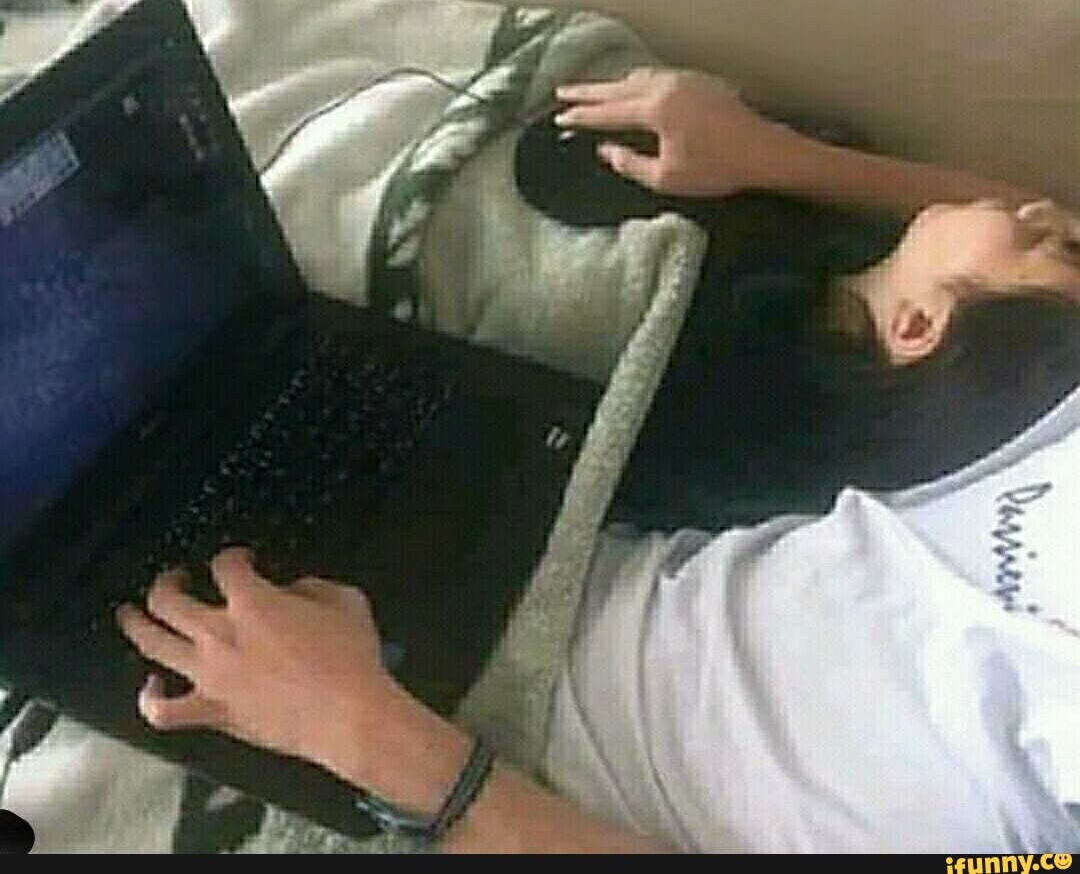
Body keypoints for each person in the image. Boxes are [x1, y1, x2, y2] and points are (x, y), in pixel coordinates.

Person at [116, 71, 1080, 853]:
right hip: (554, 541)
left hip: (492, 749)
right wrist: (766, 154)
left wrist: (360, 729)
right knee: (216, 359)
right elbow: (1040, 249)